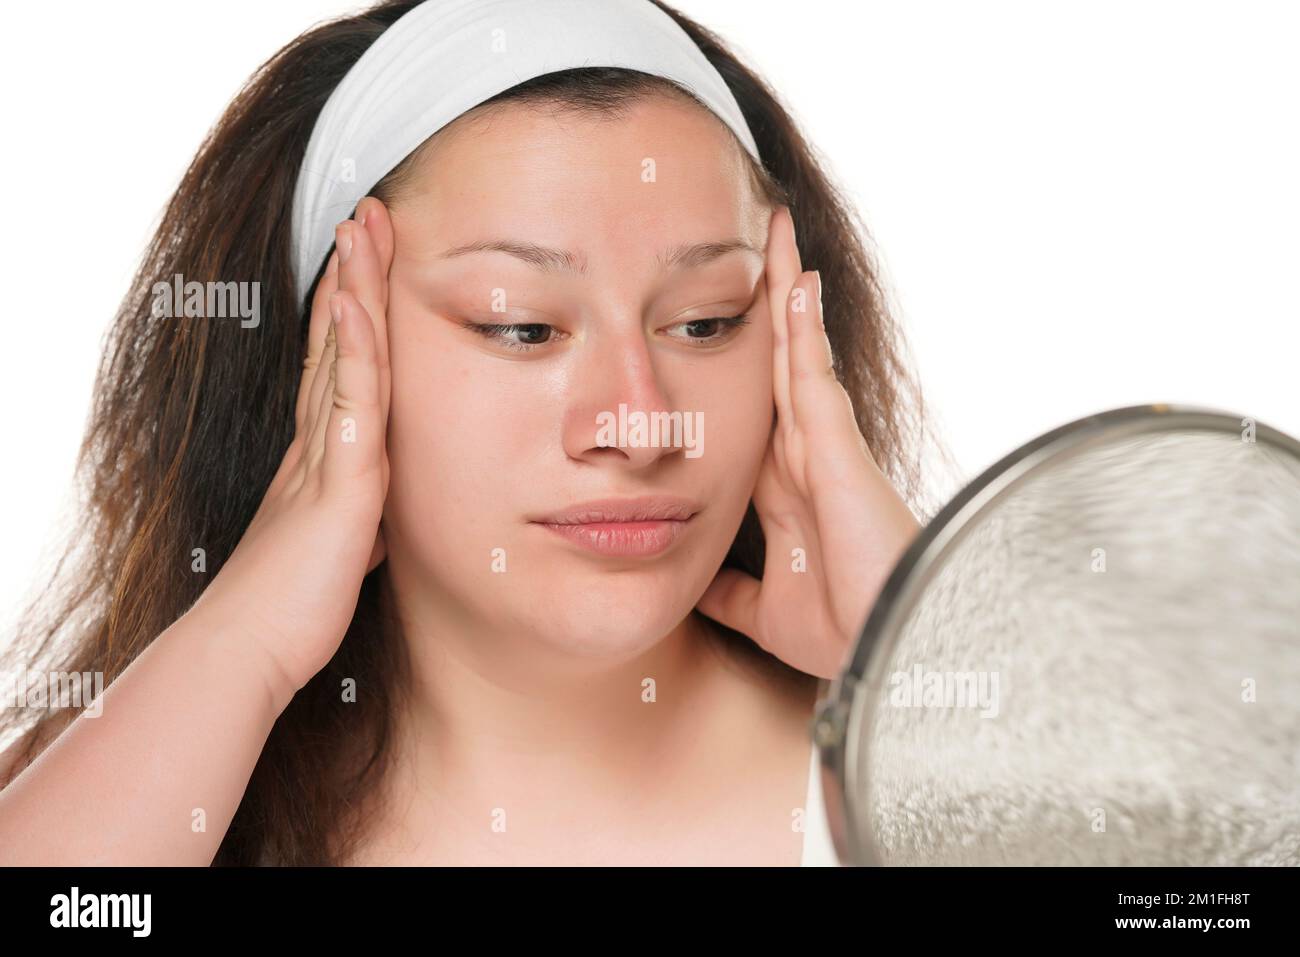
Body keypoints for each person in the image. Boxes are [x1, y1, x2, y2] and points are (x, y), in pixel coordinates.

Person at [0, 0, 933, 865]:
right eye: (521, 327)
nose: (641, 423)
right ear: (330, 352)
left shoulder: (936, 776)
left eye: (706, 321)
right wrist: (244, 638)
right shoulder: (128, 786)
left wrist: (925, 638)